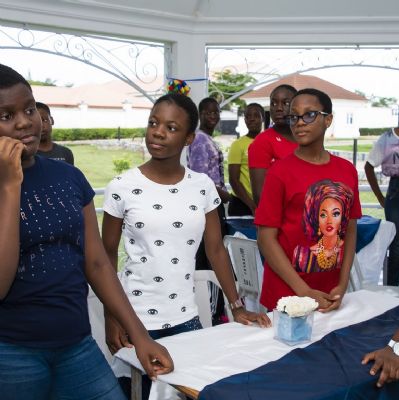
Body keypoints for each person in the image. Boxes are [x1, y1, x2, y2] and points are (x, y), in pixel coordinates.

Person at [0, 64, 173, 400]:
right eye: (6, 115)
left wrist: (140, 336)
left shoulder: (68, 177)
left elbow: (97, 263)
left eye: (29, 109)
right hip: (11, 353)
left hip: (76, 345)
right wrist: (9, 186)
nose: (23, 122)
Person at [102, 93, 270, 399]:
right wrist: (111, 317)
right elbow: (106, 257)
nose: (158, 132)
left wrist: (237, 307)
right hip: (133, 319)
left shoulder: (202, 186)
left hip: (186, 318)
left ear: (189, 138)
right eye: (153, 123)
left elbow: (216, 250)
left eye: (171, 127)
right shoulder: (122, 186)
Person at [255, 88, 362, 312]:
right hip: (287, 298)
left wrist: (342, 284)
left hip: (330, 295)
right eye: (294, 116)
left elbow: (350, 231)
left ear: (328, 119)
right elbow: (265, 239)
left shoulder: (347, 170)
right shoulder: (279, 172)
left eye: (309, 114)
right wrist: (304, 291)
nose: (300, 122)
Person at [187, 97, 230, 322]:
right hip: (207, 207)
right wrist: (224, 195)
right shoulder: (200, 140)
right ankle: (212, 312)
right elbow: (200, 179)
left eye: (216, 112)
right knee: (209, 258)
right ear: (200, 115)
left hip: (213, 204)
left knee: (211, 256)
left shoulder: (205, 138)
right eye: (207, 112)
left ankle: (215, 309)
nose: (212, 116)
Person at [248, 84, 298, 205]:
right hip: (280, 215)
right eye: (274, 103)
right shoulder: (262, 142)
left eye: (286, 103)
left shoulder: (305, 138)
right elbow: (260, 197)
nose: (278, 108)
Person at [292, 180, 354, 272]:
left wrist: (343, 281)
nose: (329, 221)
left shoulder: (346, 250)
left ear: (343, 216)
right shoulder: (300, 254)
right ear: (316, 218)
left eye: (335, 214)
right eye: (323, 215)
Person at [364, 127, 399, 286]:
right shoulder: (388, 138)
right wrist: (380, 197)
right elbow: (368, 166)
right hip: (396, 194)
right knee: (397, 246)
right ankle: (392, 292)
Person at [227, 103, 264, 216]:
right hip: (241, 204)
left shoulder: (268, 142)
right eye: (248, 116)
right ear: (245, 120)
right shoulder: (237, 145)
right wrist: (252, 205)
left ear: (262, 118)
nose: (252, 119)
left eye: (256, 115)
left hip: (263, 204)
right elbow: (233, 180)